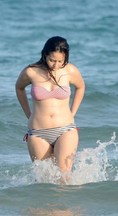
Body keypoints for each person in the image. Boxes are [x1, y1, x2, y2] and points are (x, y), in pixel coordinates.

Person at [15, 36, 85, 181]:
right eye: (52, 60)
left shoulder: (70, 70)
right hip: (38, 133)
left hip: (65, 130)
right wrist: (29, 114)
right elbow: (19, 88)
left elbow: (81, 87)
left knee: (64, 178)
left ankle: (66, 204)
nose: (56, 65)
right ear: (45, 54)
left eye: (60, 61)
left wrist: (73, 112)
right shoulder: (31, 71)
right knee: (44, 180)